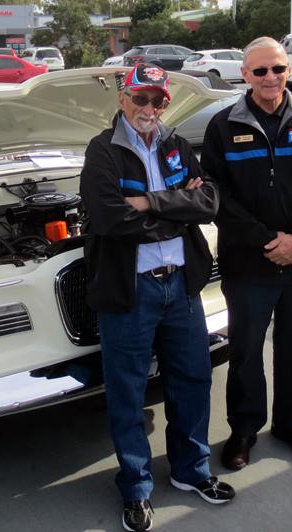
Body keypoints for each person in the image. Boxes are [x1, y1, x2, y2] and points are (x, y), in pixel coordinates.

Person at [80, 63, 235, 532]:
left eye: (157, 100)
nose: (149, 107)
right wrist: (178, 213)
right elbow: (108, 218)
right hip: (131, 292)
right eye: (140, 98)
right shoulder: (102, 150)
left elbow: (209, 201)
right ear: (123, 99)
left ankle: (191, 470)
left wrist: (150, 203)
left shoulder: (176, 145)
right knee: (127, 392)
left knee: (193, 380)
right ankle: (136, 487)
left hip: (182, 286)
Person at [200, 37, 292, 471]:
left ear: (288, 70)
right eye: (260, 70)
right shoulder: (223, 126)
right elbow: (217, 196)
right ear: (244, 74)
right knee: (245, 353)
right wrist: (268, 241)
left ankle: (291, 425)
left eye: (278, 68)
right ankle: (244, 430)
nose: (270, 77)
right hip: (248, 265)